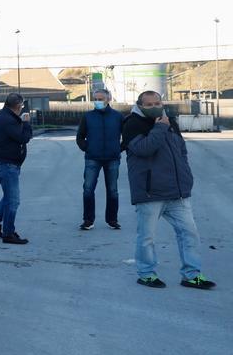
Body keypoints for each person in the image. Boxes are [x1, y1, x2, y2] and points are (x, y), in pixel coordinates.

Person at [123, 91, 215, 290]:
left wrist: (186, 177)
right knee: (147, 237)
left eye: (158, 102)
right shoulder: (132, 124)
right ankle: (146, 273)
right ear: (140, 106)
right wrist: (159, 127)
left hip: (177, 192)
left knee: (189, 234)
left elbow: (181, 150)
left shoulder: (168, 121)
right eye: (149, 104)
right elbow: (144, 149)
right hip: (150, 192)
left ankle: (192, 275)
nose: (155, 106)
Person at [0, 93, 33, 245]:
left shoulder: (3, 116)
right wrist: (25, 123)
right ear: (18, 106)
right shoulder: (7, 120)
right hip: (6, 165)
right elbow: (23, 138)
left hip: (6, 163)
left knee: (8, 197)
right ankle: (8, 233)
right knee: (13, 200)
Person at [75, 89, 123, 231]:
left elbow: (127, 135)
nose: (98, 101)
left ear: (109, 99)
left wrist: (120, 148)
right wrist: (87, 148)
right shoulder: (88, 116)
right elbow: (80, 136)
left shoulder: (117, 116)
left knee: (113, 190)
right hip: (92, 158)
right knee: (88, 189)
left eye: (101, 98)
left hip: (112, 158)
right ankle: (88, 220)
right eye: (95, 98)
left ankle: (112, 220)